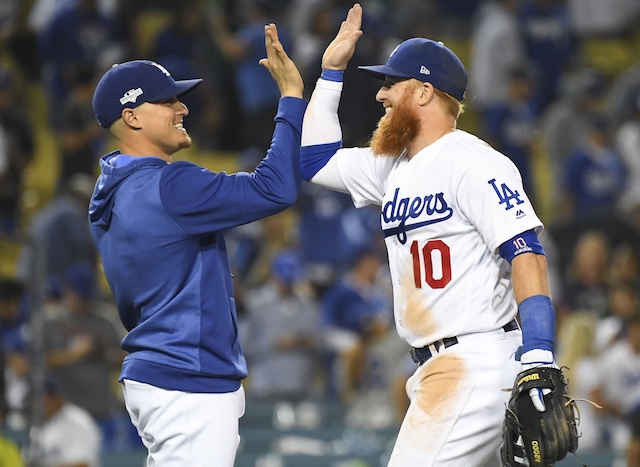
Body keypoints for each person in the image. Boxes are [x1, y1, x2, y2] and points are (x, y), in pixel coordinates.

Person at [300, 4, 559, 465]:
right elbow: (315, 161)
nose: (381, 96)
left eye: (390, 84)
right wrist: (331, 72)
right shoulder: (391, 166)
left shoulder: (476, 163)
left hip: (476, 361)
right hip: (437, 367)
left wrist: (539, 354)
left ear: (423, 91)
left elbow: (528, 254)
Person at [87, 22, 306, 467]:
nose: (182, 107)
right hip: (188, 380)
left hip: (159, 375)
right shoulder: (170, 185)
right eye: (166, 100)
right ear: (131, 117)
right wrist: (291, 98)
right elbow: (276, 189)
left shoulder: (107, 192)